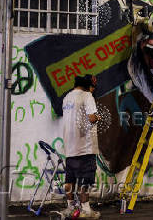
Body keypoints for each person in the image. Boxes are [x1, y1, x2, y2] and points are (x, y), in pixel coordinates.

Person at [61, 75, 100, 219]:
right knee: (85, 180)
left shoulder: (67, 98)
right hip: (85, 146)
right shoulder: (87, 95)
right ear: (87, 87)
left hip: (70, 147)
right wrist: (98, 117)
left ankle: (71, 208)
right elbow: (91, 117)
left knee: (69, 180)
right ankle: (86, 210)